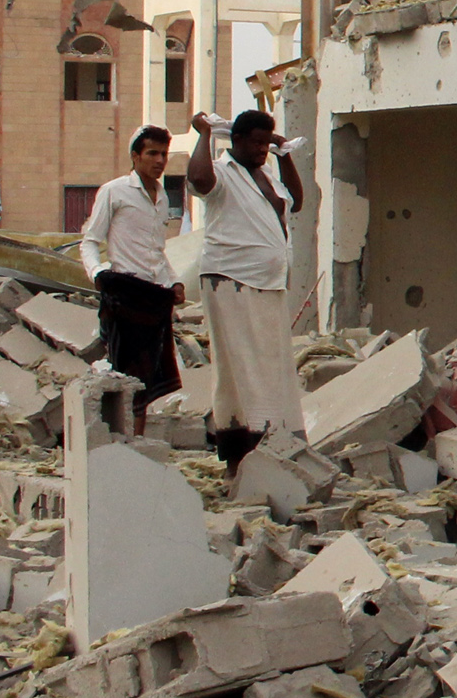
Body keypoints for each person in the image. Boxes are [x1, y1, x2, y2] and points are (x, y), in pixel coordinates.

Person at [185, 108, 305, 471]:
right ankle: (243, 449)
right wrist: (204, 134)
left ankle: (272, 443)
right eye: (256, 143)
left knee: (272, 366)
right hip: (231, 281)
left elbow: (295, 202)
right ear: (235, 140)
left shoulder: (266, 172)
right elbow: (198, 182)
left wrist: (284, 155)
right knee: (241, 369)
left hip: (267, 284)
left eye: (266, 144)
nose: (261, 150)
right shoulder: (221, 171)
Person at [78, 125, 184, 410]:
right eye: (152, 153)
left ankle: (138, 441)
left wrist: (174, 281)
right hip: (124, 298)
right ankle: (120, 442)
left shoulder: (163, 198)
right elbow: (89, 242)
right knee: (127, 382)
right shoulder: (115, 192)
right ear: (136, 156)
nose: (160, 160)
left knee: (151, 384)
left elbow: (156, 252)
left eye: (164, 154)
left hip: (155, 301)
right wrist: (98, 274)